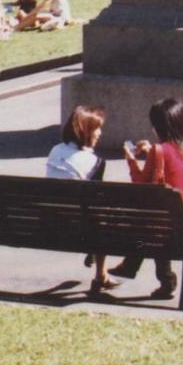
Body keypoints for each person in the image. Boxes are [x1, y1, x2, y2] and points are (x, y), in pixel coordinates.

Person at [114, 98, 183, 299]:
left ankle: (150, 273)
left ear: (157, 126)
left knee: (154, 224)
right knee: (160, 223)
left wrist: (131, 159)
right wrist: (153, 153)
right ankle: (132, 266)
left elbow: (141, 185)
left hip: (173, 230)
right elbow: (176, 163)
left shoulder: (159, 151)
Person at [45, 105, 112, 297]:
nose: (100, 133)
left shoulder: (54, 151)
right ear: (86, 131)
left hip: (51, 223)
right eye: (97, 128)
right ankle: (101, 274)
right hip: (81, 228)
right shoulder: (95, 162)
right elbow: (97, 198)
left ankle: (102, 272)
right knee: (103, 215)